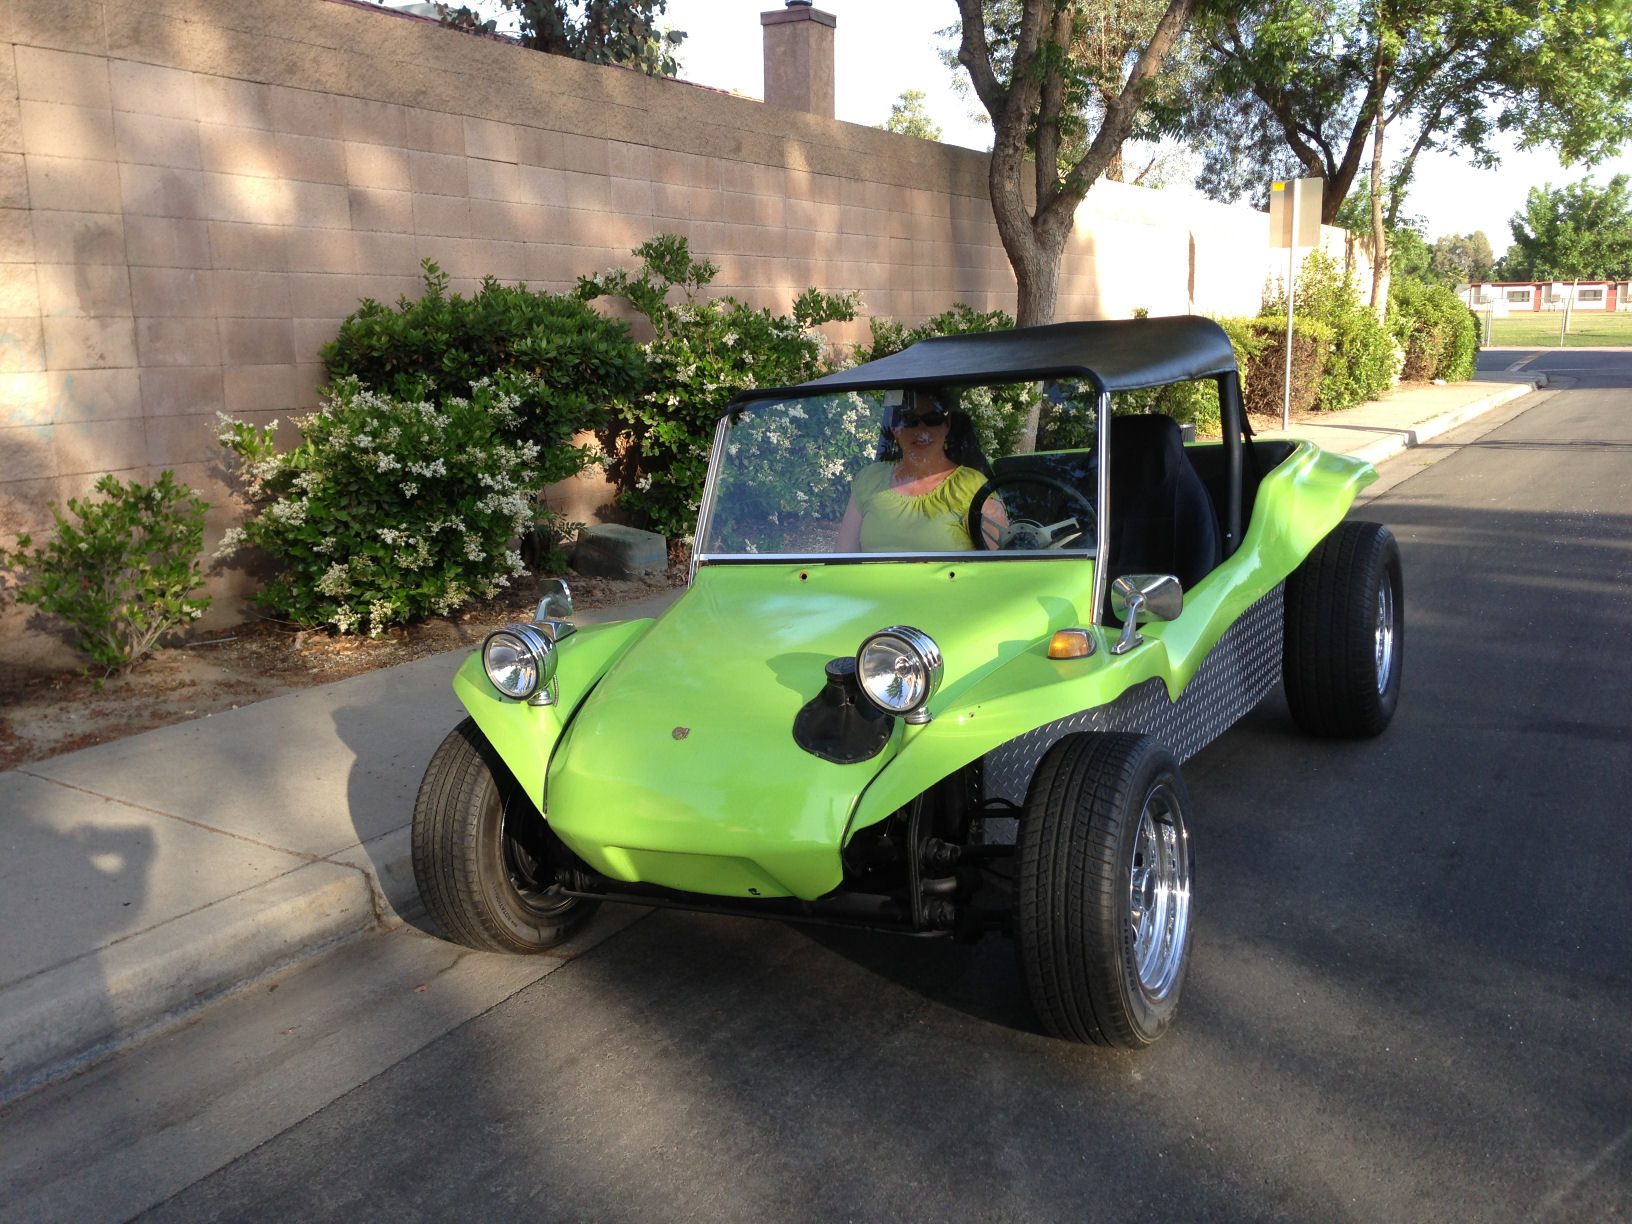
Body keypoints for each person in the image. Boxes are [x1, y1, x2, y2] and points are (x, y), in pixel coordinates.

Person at [835, 390, 1003, 552]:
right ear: (895, 427)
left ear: (947, 424)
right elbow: (842, 559)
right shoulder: (869, 479)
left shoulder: (972, 486)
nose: (922, 431)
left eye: (933, 419)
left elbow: (1002, 564)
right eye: (909, 420)